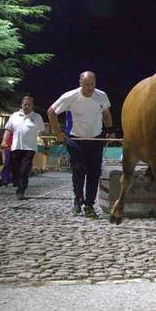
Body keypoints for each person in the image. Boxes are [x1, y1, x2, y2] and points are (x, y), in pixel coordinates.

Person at [48, 71, 114, 219]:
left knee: (94, 173)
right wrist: (58, 133)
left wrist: (110, 130)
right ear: (80, 83)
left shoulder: (101, 95)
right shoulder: (70, 96)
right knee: (78, 170)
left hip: (95, 139)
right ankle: (78, 198)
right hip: (75, 139)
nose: (90, 88)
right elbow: (51, 112)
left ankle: (89, 204)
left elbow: (106, 113)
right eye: (86, 85)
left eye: (92, 85)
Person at [1, 96, 45, 200]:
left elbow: (42, 131)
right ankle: (16, 181)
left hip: (30, 148)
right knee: (15, 169)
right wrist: (4, 141)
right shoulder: (15, 116)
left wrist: (40, 138)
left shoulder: (37, 117)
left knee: (24, 170)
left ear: (32, 105)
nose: (27, 106)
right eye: (25, 104)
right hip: (16, 147)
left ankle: (21, 191)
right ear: (21, 104)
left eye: (29, 104)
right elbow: (8, 129)